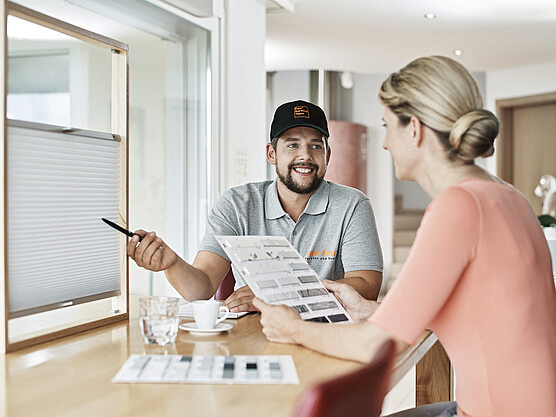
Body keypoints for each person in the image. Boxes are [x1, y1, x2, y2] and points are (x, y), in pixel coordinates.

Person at [253, 57, 556, 417]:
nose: (384, 144)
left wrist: (293, 329)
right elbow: (480, 312)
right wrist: (370, 309)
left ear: (413, 128)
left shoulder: (458, 207)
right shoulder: (507, 195)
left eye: (387, 126)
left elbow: (377, 345)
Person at [127, 100, 383, 312]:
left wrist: (277, 294)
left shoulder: (353, 205)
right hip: (252, 333)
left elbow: (367, 286)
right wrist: (171, 264)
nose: (305, 155)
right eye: (292, 144)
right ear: (271, 153)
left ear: (327, 155)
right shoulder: (236, 205)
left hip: (327, 332)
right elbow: (201, 288)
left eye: (315, 146)